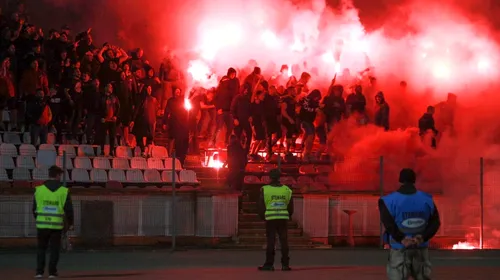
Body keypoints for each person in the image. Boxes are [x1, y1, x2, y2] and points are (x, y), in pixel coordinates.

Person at [379, 168, 441, 280]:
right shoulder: (427, 199)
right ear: (414, 180)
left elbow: (389, 224)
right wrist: (422, 237)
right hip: (420, 248)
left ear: (400, 180)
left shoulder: (388, 200)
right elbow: (435, 223)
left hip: (399, 249)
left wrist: (402, 239)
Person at [33, 165, 74, 279]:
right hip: (56, 225)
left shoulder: (39, 190)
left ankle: (39, 272)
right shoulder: (64, 191)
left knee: (41, 248)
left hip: (42, 224)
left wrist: (39, 218)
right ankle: (52, 272)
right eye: (60, 175)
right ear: (57, 175)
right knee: (54, 249)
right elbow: (69, 209)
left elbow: (34, 208)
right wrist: (70, 223)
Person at [257, 169, 293, 271]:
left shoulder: (265, 189)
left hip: (270, 218)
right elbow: (291, 207)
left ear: (269, 177)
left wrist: (263, 216)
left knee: (271, 241)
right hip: (283, 218)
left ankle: (269, 264)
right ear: (279, 177)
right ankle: (285, 265)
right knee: (284, 241)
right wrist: (287, 215)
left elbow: (261, 205)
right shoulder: (287, 190)